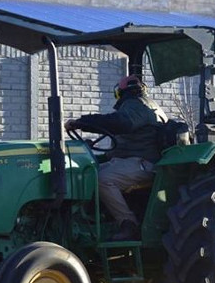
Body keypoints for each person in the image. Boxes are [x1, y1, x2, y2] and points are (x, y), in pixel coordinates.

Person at [65, 75, 167, 241]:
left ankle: (128, 223)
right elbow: (121, 144)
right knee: (85, 172)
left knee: (100, 179)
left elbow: (120, 123)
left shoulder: (137, 104)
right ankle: (90, 221)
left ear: (121, 93)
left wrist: (82, 122)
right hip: (132, 160)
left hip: (144, 163)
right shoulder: (139, 107)